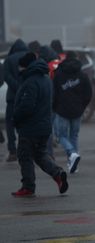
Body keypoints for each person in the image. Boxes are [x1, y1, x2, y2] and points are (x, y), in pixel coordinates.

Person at [11, 52, 68, 197]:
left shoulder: (31, 82)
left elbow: (27, 107)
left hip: (30, 127)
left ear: (25, 67)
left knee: (25, 156)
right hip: (44, 126)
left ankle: (28, 187)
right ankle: (58, 174)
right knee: (40, 155)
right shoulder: (45, 78)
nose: (19, 70)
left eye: (20, 67)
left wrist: (15, 118)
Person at [53, 51, 92, 173]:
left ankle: (71, 153)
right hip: (77, 110)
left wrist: (55, 107)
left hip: (62, 110)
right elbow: (88, 94)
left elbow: (54, 94)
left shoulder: (58, 74)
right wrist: (82, 106)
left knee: (61, 136)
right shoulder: (82, 75)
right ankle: (73, 163)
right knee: (74, 135)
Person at [3, 39, 29, 162]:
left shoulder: (8, 60)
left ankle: (12, 150)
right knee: (25, 124)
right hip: (27, 97)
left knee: (10, 124)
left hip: (12, 98)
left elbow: (6, 77)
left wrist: (16, 87)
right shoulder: (30, 57)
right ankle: (25, 150)